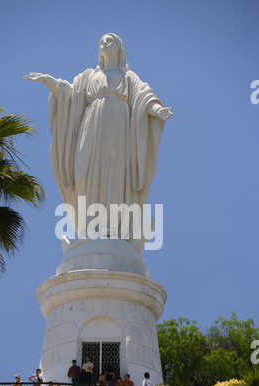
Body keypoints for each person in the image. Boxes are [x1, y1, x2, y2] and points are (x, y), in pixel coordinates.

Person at [24, 33, 172, 247]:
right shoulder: (89, 76)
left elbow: (143, 96)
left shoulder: (128, 77)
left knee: (114, 172)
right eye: (101, 41)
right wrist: (48, 81)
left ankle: (112, 225)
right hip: (91, 122)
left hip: (119, 124)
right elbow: (69, 94)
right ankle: (88, 226)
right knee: (82, 171)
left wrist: (157, 110)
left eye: (109, 40)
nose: (104, 42)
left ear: (119, 48)